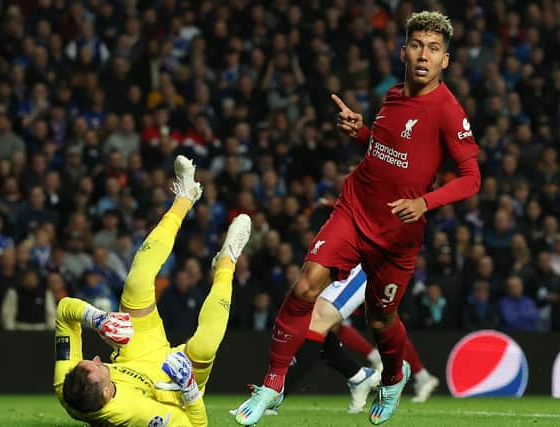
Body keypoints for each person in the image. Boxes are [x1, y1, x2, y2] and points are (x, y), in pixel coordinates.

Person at [234, 11, 480, 425]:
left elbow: (472, 179)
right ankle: (272, 386)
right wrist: (362, 134)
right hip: (354, 208)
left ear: (445, 61)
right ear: (404, 51)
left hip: (398, 233)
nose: (423, 55)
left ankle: (395, 375)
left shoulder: (448, 111)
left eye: (434, 49)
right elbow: (385, 154)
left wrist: (426, 203)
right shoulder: (394, 95)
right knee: (308, 282)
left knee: (380, 318)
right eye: (417, 45)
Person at [53, 155, 252, 426]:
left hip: (134, 352)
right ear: (108, 392)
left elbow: (64, 310)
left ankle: (186, 196)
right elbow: (196, 426)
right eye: (98, 366)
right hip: (170, 386)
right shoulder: (133, 414)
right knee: (205, 347)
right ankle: (228, 261)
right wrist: (191, 389)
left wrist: (96, 318)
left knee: (136, 282)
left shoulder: (66, 385)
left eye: (88, 362)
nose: (99, 358)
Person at [265, 264, 439, 416]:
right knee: (326, 324)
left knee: (316, 322)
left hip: (364, 265)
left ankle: (272, 399)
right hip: (354, 261)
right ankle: (360, 376)